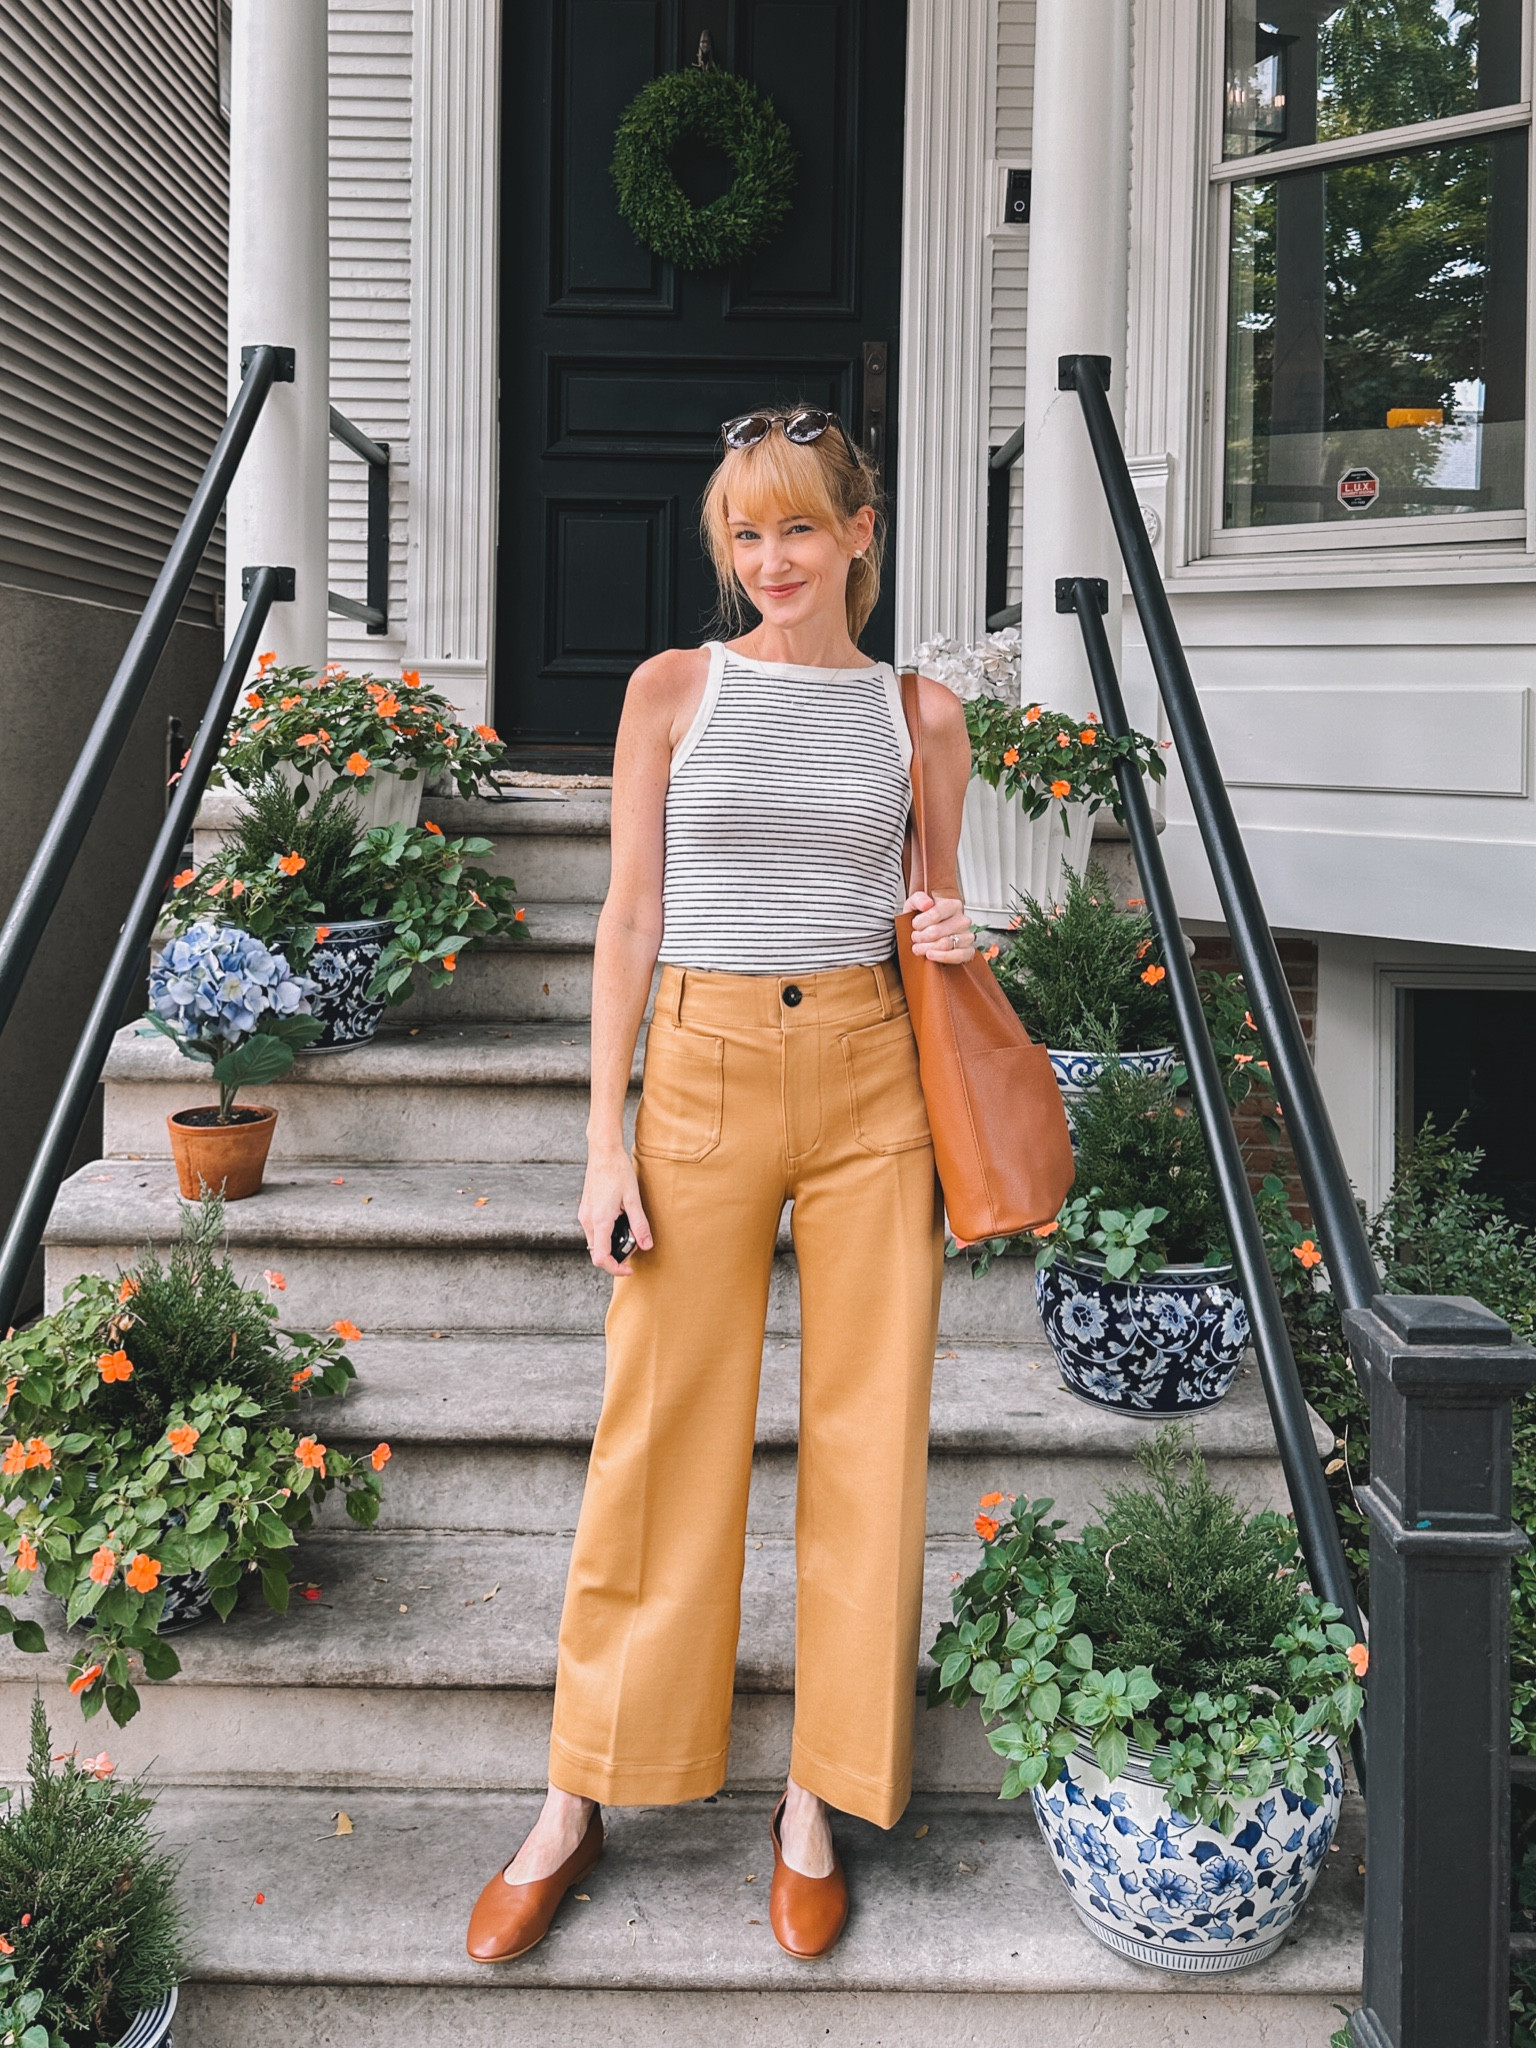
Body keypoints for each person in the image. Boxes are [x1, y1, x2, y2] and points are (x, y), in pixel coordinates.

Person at [466, 405, 974, 1964]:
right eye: (746, 536)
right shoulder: (672, 692)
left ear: (859, 534)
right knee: (658, 1434)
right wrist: (601, 1142)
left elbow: (934, 910)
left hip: (875, 1077)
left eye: (801, 529)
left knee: (869, 1440)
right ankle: (582, 1791)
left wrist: (958, 934)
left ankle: (818, 1798)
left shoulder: (924, 715)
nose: (772, 562)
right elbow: (626, 919)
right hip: (698, 1064)